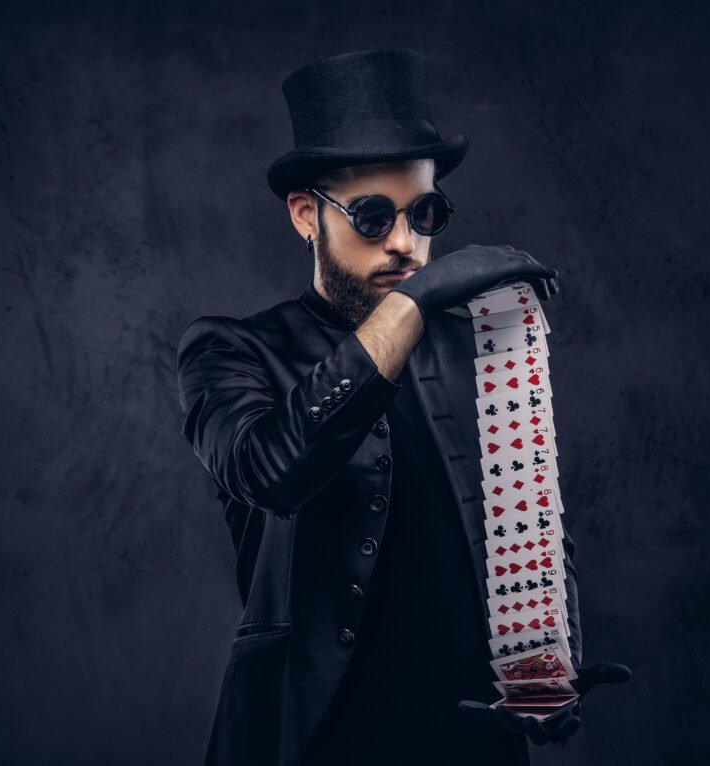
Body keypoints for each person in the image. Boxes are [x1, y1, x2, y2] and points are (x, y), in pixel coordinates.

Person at [176, 48, 630, 766]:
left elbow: (534, 521)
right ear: (305, 215)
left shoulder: (482, 349)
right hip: (312, 741)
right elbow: (269, 472)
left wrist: (550, 670)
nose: (404, 242)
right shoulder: (229, 350)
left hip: (473, 738)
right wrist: (413, 303)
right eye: (371, 214)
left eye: (425, 212)